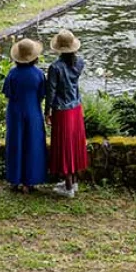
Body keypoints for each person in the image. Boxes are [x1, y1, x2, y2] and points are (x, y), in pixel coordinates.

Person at [45, 29, 88, 198]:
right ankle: (74, 182)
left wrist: (47, 111)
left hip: (62, 110)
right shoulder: (79, 63)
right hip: (76, 108)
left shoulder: (55, 68)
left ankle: (68, 186)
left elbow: (51, 92)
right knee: (75, 144)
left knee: (64, 146)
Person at [3, 37, 47, 193]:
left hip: (15, 111)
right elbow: (42, 94)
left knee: (16, 143)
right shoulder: (39, 74)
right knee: (33, 144)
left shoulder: (12, 74)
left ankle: (15, 179)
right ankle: (30, 181)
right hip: (33, 111)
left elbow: (8, 93)